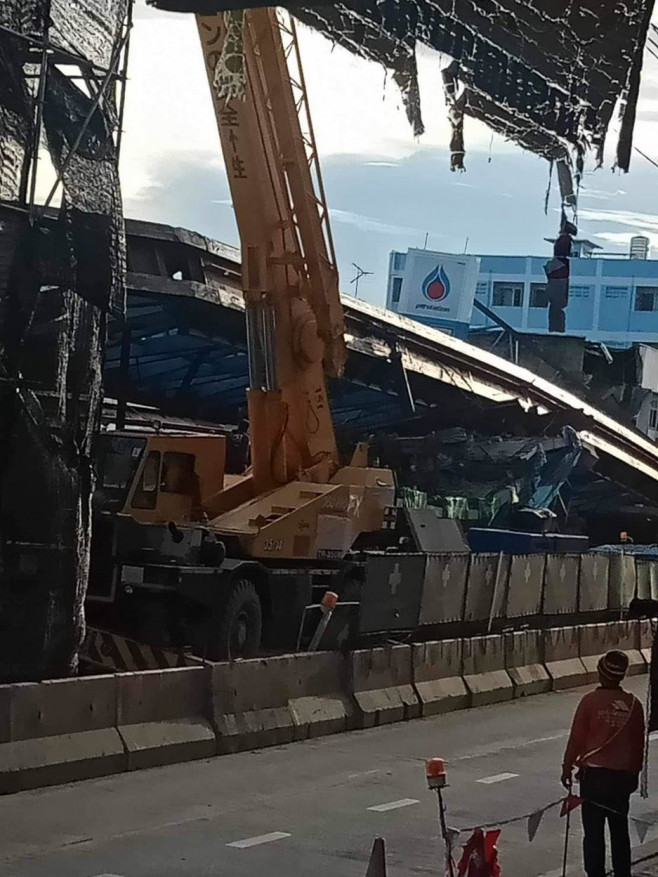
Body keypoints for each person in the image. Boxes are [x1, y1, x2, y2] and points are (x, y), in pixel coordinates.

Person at [561, 650, 645, 877]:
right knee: (620, 831)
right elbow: (638, 746)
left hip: (594, 778)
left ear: (600, 673)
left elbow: (577, 739)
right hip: (621, 779)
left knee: (593, 832)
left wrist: (567, 767)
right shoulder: (634, 705)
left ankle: (595, 873)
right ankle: (622, 873)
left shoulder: (589, 702)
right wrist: (634, 776)